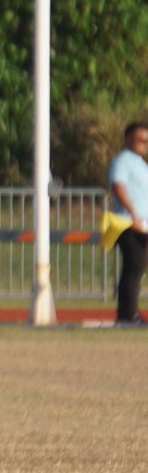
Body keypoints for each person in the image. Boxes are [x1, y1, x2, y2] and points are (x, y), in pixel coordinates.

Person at [106, 122, 148, 325]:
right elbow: (118, 186)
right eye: (141, 140)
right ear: (128, 139)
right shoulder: (123, 160)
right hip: (128, 223)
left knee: (137, 267)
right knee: (134, 265)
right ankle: (127, 315)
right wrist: (133, 214)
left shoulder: (140, 163)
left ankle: (130, 312)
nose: (144, 144)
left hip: (142, 224)